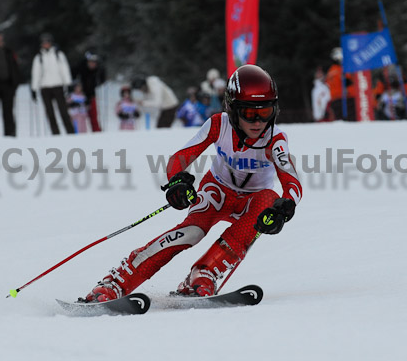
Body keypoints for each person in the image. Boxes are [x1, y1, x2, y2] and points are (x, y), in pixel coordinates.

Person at [80, 64, 302, 302]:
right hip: (217, 191)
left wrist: (284, 208)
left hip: (251, 201)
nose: (258, 122)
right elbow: (180, 158)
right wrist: (177, 181)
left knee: (268, 199)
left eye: (265, 112)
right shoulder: (219, 124)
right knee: (191, 232)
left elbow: (292, 183)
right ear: (233, 110)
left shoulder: (275, 139)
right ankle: (116, 282)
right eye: (249, 113)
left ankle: (203, 274)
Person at [31, 33, 75, 134]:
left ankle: (71, 132)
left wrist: (68, 83)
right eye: (44, 42)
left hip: (58, 86)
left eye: (47, 42)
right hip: (45, 88)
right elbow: (36, 74)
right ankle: (55, 133)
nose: (46, 44)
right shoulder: (38, 57)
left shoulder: (58, 55)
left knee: (63, 111)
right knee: (50, 112)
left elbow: (64, 70)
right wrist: (34, 88)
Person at [74, 51, 106, 131]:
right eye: (91, 62)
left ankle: (97, 132)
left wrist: (102, 71)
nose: (92, 64)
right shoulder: (82, 70)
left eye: (94, 62)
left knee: (94, 117)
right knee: (80, 118)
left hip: (91, 96)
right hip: (81, 97)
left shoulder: (97, 72)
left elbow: (101, 81)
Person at [325, 47, 356, 121]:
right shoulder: (341, 70)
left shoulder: (330, 71)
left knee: (340, 121)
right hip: (346, 100)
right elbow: (348, 84)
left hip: (335, 100)